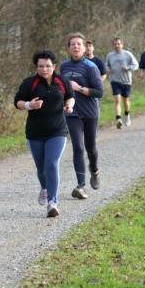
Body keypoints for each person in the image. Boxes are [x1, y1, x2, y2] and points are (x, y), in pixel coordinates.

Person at [14, 50, 75, 217]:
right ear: (36, 67)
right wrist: (28, 105)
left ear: (54, 66)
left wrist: (70, 106)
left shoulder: (62, 81)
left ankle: (52, 202)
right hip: (35, 132)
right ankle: (44, 188)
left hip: (57, 131)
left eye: (48, 66)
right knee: (41, 169)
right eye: (41, 66)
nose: (44, 69)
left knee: (51, 163)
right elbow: (17, 102)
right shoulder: (29, 83)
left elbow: (70, 96)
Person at [59, 32, 104, 200]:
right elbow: (61, 89)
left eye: (79, 44)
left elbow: (99, 92)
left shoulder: (91, 67)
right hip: (72, 113)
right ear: (69, 48)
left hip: (90, 113)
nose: (76, 46)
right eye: (72, 44)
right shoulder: (64, 67)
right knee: (78, 147)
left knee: (90, 148)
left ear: (84, 48)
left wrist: (79, 89)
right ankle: (81, 186)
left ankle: (95, 171)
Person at [105, 37, 139, 128]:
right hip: (114, 80)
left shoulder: (128, 54)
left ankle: (127, 115)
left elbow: (136, 65)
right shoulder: (110, 55)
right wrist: (107, 69)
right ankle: (118, 119)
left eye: (118, 44)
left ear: (122, 45)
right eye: (115, 44)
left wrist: (128, 67)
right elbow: (106, 65)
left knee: (126, 101)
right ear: (113, 45)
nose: (117, 46)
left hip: (126, 81)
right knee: (117, 99)